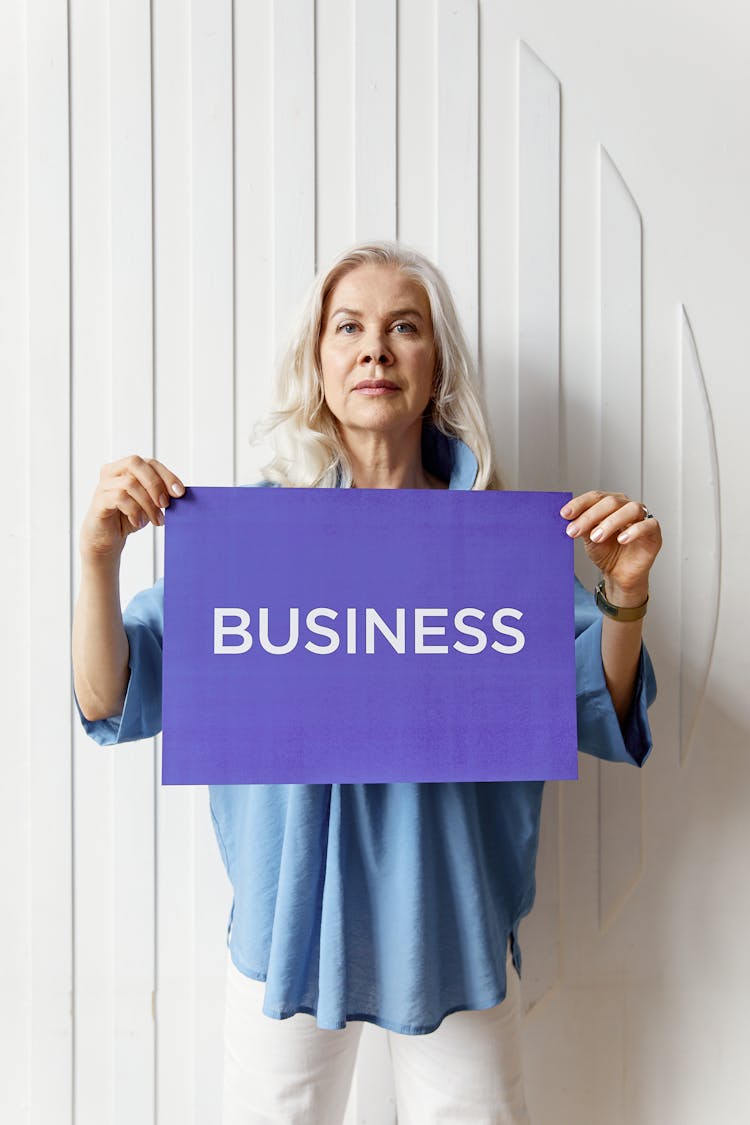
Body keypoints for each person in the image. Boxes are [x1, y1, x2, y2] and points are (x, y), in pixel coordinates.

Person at [72, 241, 661, 1124]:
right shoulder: (250, 539)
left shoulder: (497, 547)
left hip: (452, 923)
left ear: (437, 366)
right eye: (348, 326)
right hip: (288, 928)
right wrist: (98, 558)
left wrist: (625, 594)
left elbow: (597, 705)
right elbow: (112, 697)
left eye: (403, 327)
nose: (374, 348)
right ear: (318, 363)